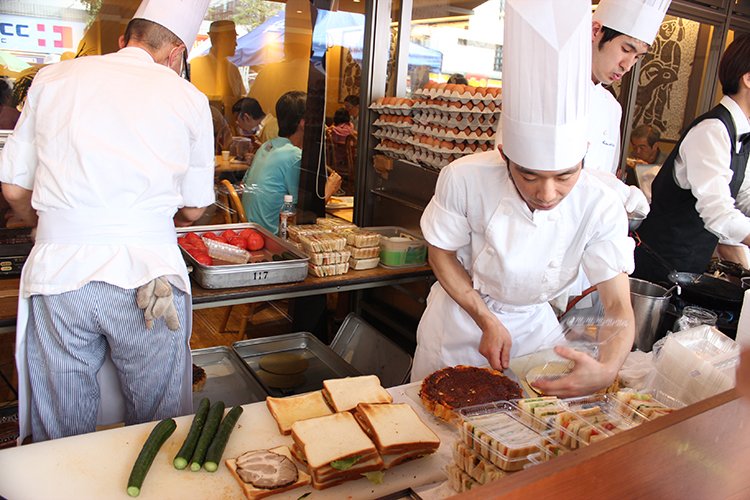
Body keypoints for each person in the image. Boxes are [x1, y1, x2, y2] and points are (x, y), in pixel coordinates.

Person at [0, 0, 214, 443]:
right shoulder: (189, 97)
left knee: (59, 429)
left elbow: (14, 189)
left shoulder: (54, 77)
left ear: (123, 40)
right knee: (160, 426)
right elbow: (194, 209)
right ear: (176, 53)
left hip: (61, 276)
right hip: (148, 282)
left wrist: (41, 226)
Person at [411, 0, 636, 399]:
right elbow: (441, 253)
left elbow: (618, 305)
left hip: (534, 326)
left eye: (565, 176)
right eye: (528, 175)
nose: (546, 194)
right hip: (458, 318)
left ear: (584, 156)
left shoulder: (600, 202)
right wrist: (484, 317)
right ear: (504, 156)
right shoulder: (464, 177)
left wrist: (608, 367)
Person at [633, 32, 750, 284]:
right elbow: (718, 212)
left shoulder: (740, 134)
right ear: (748, 78)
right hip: (657, 269)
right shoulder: (713, 131)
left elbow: (744, 197)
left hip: (686, 270)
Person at [587, 0, 672, 176]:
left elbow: (608, 174)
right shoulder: (553, 90)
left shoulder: (613, 107)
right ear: (595, 32)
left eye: (637, 57)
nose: (627, 66)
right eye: (626, 50)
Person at [241, 91, 342, 234]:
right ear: (304, 124)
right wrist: (331, 187)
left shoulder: (267, 145)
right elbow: (307, 213)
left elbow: (242, 185)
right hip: (272, 237)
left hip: (249, 230)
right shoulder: (294, 156)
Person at [190, 20, 246, 133]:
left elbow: (242, 98)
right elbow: (192, 99)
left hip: (230, 132)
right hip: (204, 131)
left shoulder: (233, 70)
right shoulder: (197, 65)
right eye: (233, 39)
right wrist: (222, 100)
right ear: (220, 40)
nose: (236, 44)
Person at [231, 97, 265, 162]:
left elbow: (275, 161)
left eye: (237, 120)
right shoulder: (257, 131)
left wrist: (256, 159)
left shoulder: (270, 129)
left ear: (246, 117)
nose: (238, 126)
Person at [329, 107, 354, 172]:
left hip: (339, 160)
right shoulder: (351, 125)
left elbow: (333, 145)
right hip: (351, 159)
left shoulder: (335, 130)